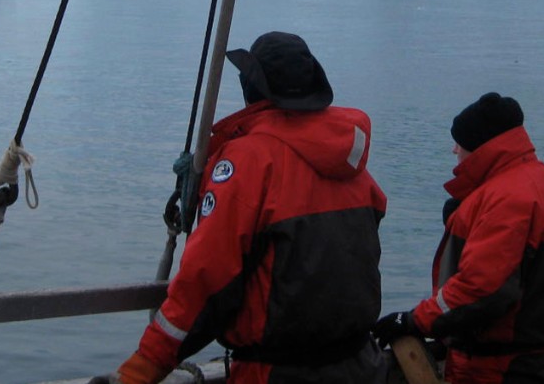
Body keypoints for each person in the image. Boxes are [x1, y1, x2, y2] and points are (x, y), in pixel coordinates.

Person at [90, 31, 388, 384]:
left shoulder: (249, 161)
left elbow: (206, 279)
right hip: (361, 366)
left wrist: (144, 367)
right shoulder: (351, 164)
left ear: (253, 88)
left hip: (277, 373)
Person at [373, 92, 544, 383]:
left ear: (481, 147)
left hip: (501, 366)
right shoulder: (542, 180)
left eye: (459, 142)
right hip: (543, 357)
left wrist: (413, 320)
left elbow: (481, 290)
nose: (454, 150)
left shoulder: (505, 201)